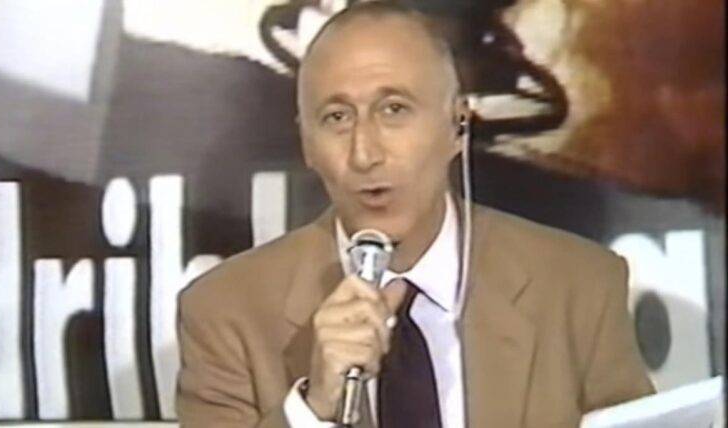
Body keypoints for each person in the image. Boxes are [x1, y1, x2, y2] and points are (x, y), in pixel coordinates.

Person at [175, 2, 654, 427]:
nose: (365, 154)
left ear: (458, 126)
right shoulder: (225, 313)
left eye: (394, 110)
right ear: (307, 144)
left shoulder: (579, 288)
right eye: (337, 117)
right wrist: (312, 410)